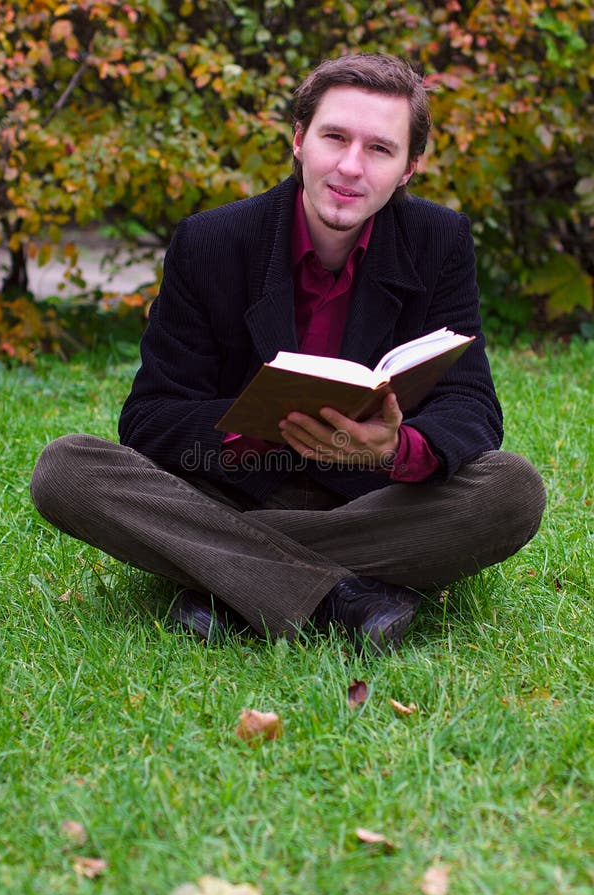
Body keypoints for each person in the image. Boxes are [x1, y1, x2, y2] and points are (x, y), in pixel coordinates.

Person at [30, 54, 546, 652]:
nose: (350, 167)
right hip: (237, 484)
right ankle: (345, 598)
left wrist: (394, 447)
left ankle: (224, 576)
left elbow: (472, 405)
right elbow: (150, 416)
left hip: (371, 496)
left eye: (380, 149)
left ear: (410, 168)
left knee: (513, 488)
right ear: (299, 139)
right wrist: (257, 430)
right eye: (334, 137)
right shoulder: (212, 242)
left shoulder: (439, 240)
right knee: (67, 468)